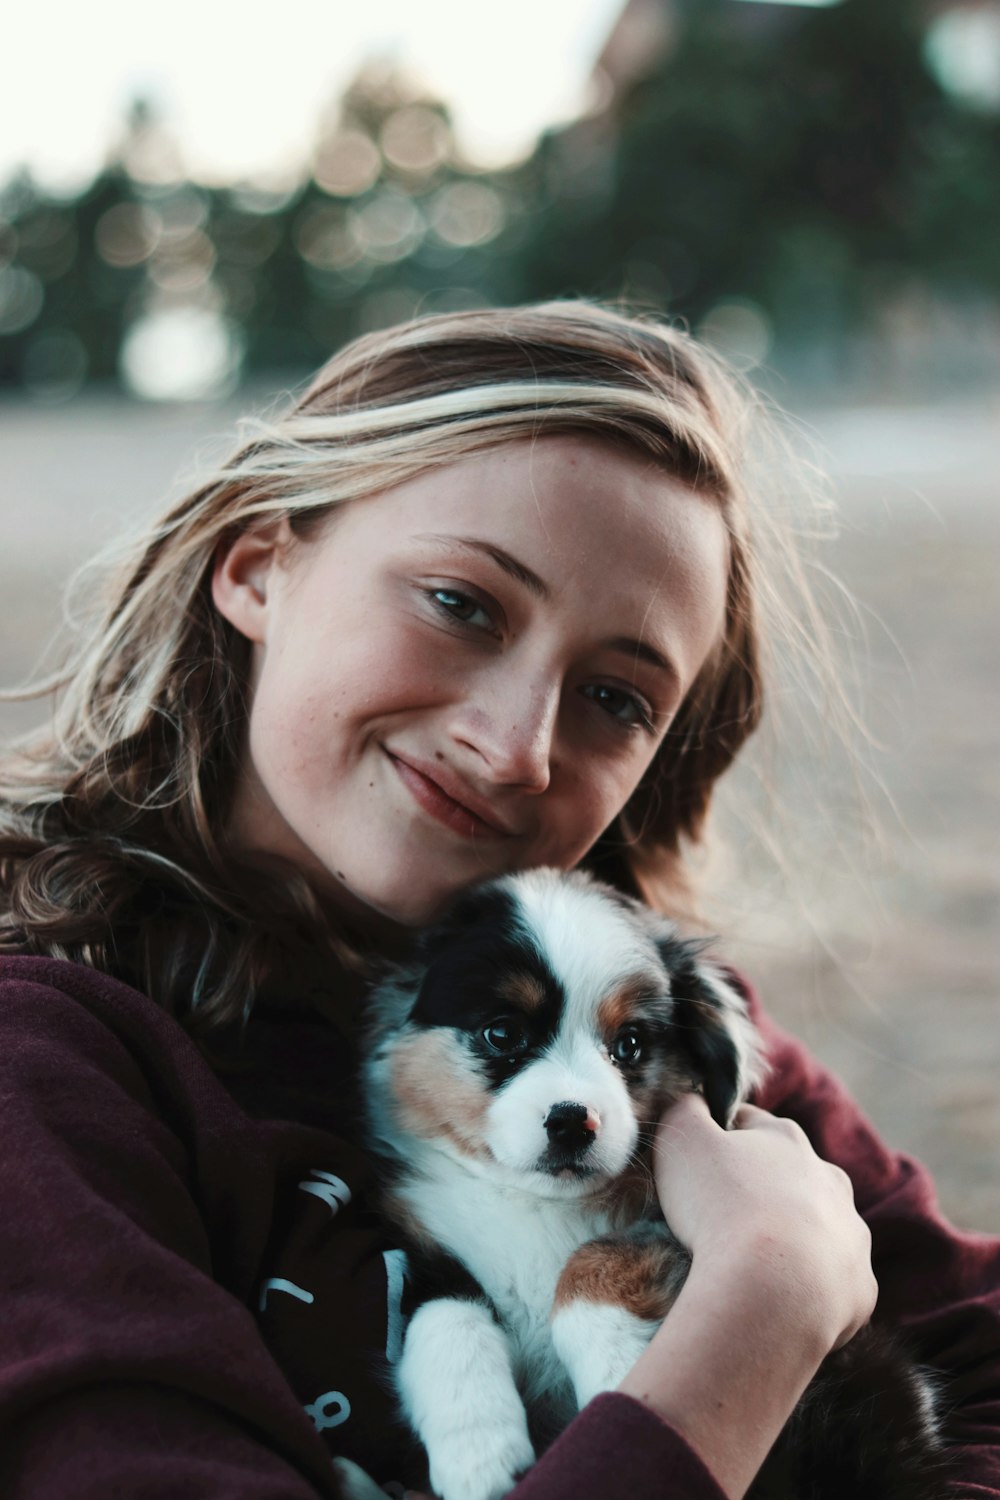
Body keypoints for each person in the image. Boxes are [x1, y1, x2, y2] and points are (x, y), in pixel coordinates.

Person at [0, 301, 996, 1500]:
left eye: (617, 698)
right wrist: (760, 1313)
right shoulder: (47, 1068)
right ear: (260, 567)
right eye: (462, 604)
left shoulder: (667, 1039)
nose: (515, 745)